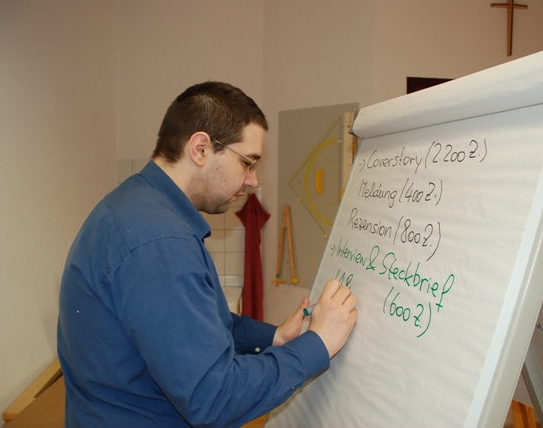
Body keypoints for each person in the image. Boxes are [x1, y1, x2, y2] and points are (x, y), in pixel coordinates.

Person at [57, 81, 358, 428]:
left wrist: (274, 338)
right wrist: (319, 343)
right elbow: (215, 398)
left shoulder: (138, 206)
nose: (253, 181)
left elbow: (197, 325)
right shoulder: (158, 242)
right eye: (247, 162)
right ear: (200, 149)